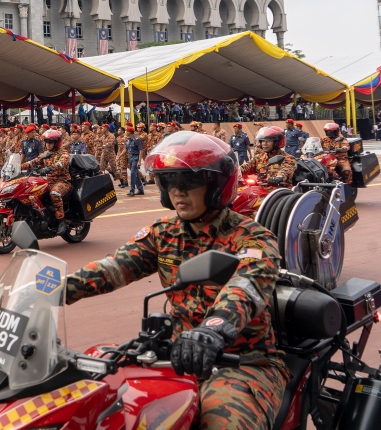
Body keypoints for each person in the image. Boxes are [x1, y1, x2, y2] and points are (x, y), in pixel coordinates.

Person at [66, 132, 288, 430]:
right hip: (175, 355)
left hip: (240, 361)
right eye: (169, 182)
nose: (177, 192)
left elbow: (246, 288)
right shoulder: (164, 233)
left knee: (223, 425)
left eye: (188, 183)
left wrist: (213, 330)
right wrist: (50, 290)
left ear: (216, 185)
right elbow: (113, 268)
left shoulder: (252, 238)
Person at [22, 129, 70, 233]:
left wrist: (47, 169)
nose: (48, 144)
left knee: (54, 193)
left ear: (57, 142)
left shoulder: (64, 153)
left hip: (62, 181)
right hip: (48, 182)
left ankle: (61, 220)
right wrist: (18, 167)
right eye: (47, 142)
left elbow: (61, 164)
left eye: (51, 142)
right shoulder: (45, 154)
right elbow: (33, 162)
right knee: (31, 193)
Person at [126, 124, 145, 196]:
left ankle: (132, 190)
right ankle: (140, 189)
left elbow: (141, 150)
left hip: (135, 157)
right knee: (135, 173)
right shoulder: (128, 140)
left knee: (133, 174)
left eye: (126, 131)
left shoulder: (137, 140)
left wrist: (139, 161)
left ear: (130, 132)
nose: (125, 132)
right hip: (130, 157)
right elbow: (126, 149)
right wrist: (119, 156)